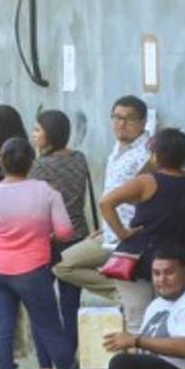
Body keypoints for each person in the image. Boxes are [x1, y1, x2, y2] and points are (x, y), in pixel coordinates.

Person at [0, 138, 76, 369]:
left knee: (1, 329)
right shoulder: (47, 191)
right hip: (33, 271)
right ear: (33, 163)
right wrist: (46, 233)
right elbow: (66, 232)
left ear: (0, 161)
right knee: (51, 330)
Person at [99, 127, 185, 334]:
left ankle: (140, 364)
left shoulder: (147, 181)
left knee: (138, 323)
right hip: (175, 262)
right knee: (171, 322)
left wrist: (122, 233)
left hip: (138, 259)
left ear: (156, 155)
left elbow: (106, 203)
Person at [53, 96, 152, 302]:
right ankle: (122, 290)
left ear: (143, 122)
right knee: (61, 265)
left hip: (128, 235)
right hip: (110, 233)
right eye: (116, 118)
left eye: (129, 119)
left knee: (64, 265)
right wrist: (105, 226)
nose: (121, 124)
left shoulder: (147, 154)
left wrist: (123, 230)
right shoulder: (118, 147)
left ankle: (126, 292)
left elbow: (147, 197)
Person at [28, 109, 92, 369]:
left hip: (47, 241)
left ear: (50, 134)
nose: (34, 134)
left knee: (41, 306)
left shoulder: (40, 168)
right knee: (71, 306)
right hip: (78, 239)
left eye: (38, 129)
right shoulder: (80, 159)